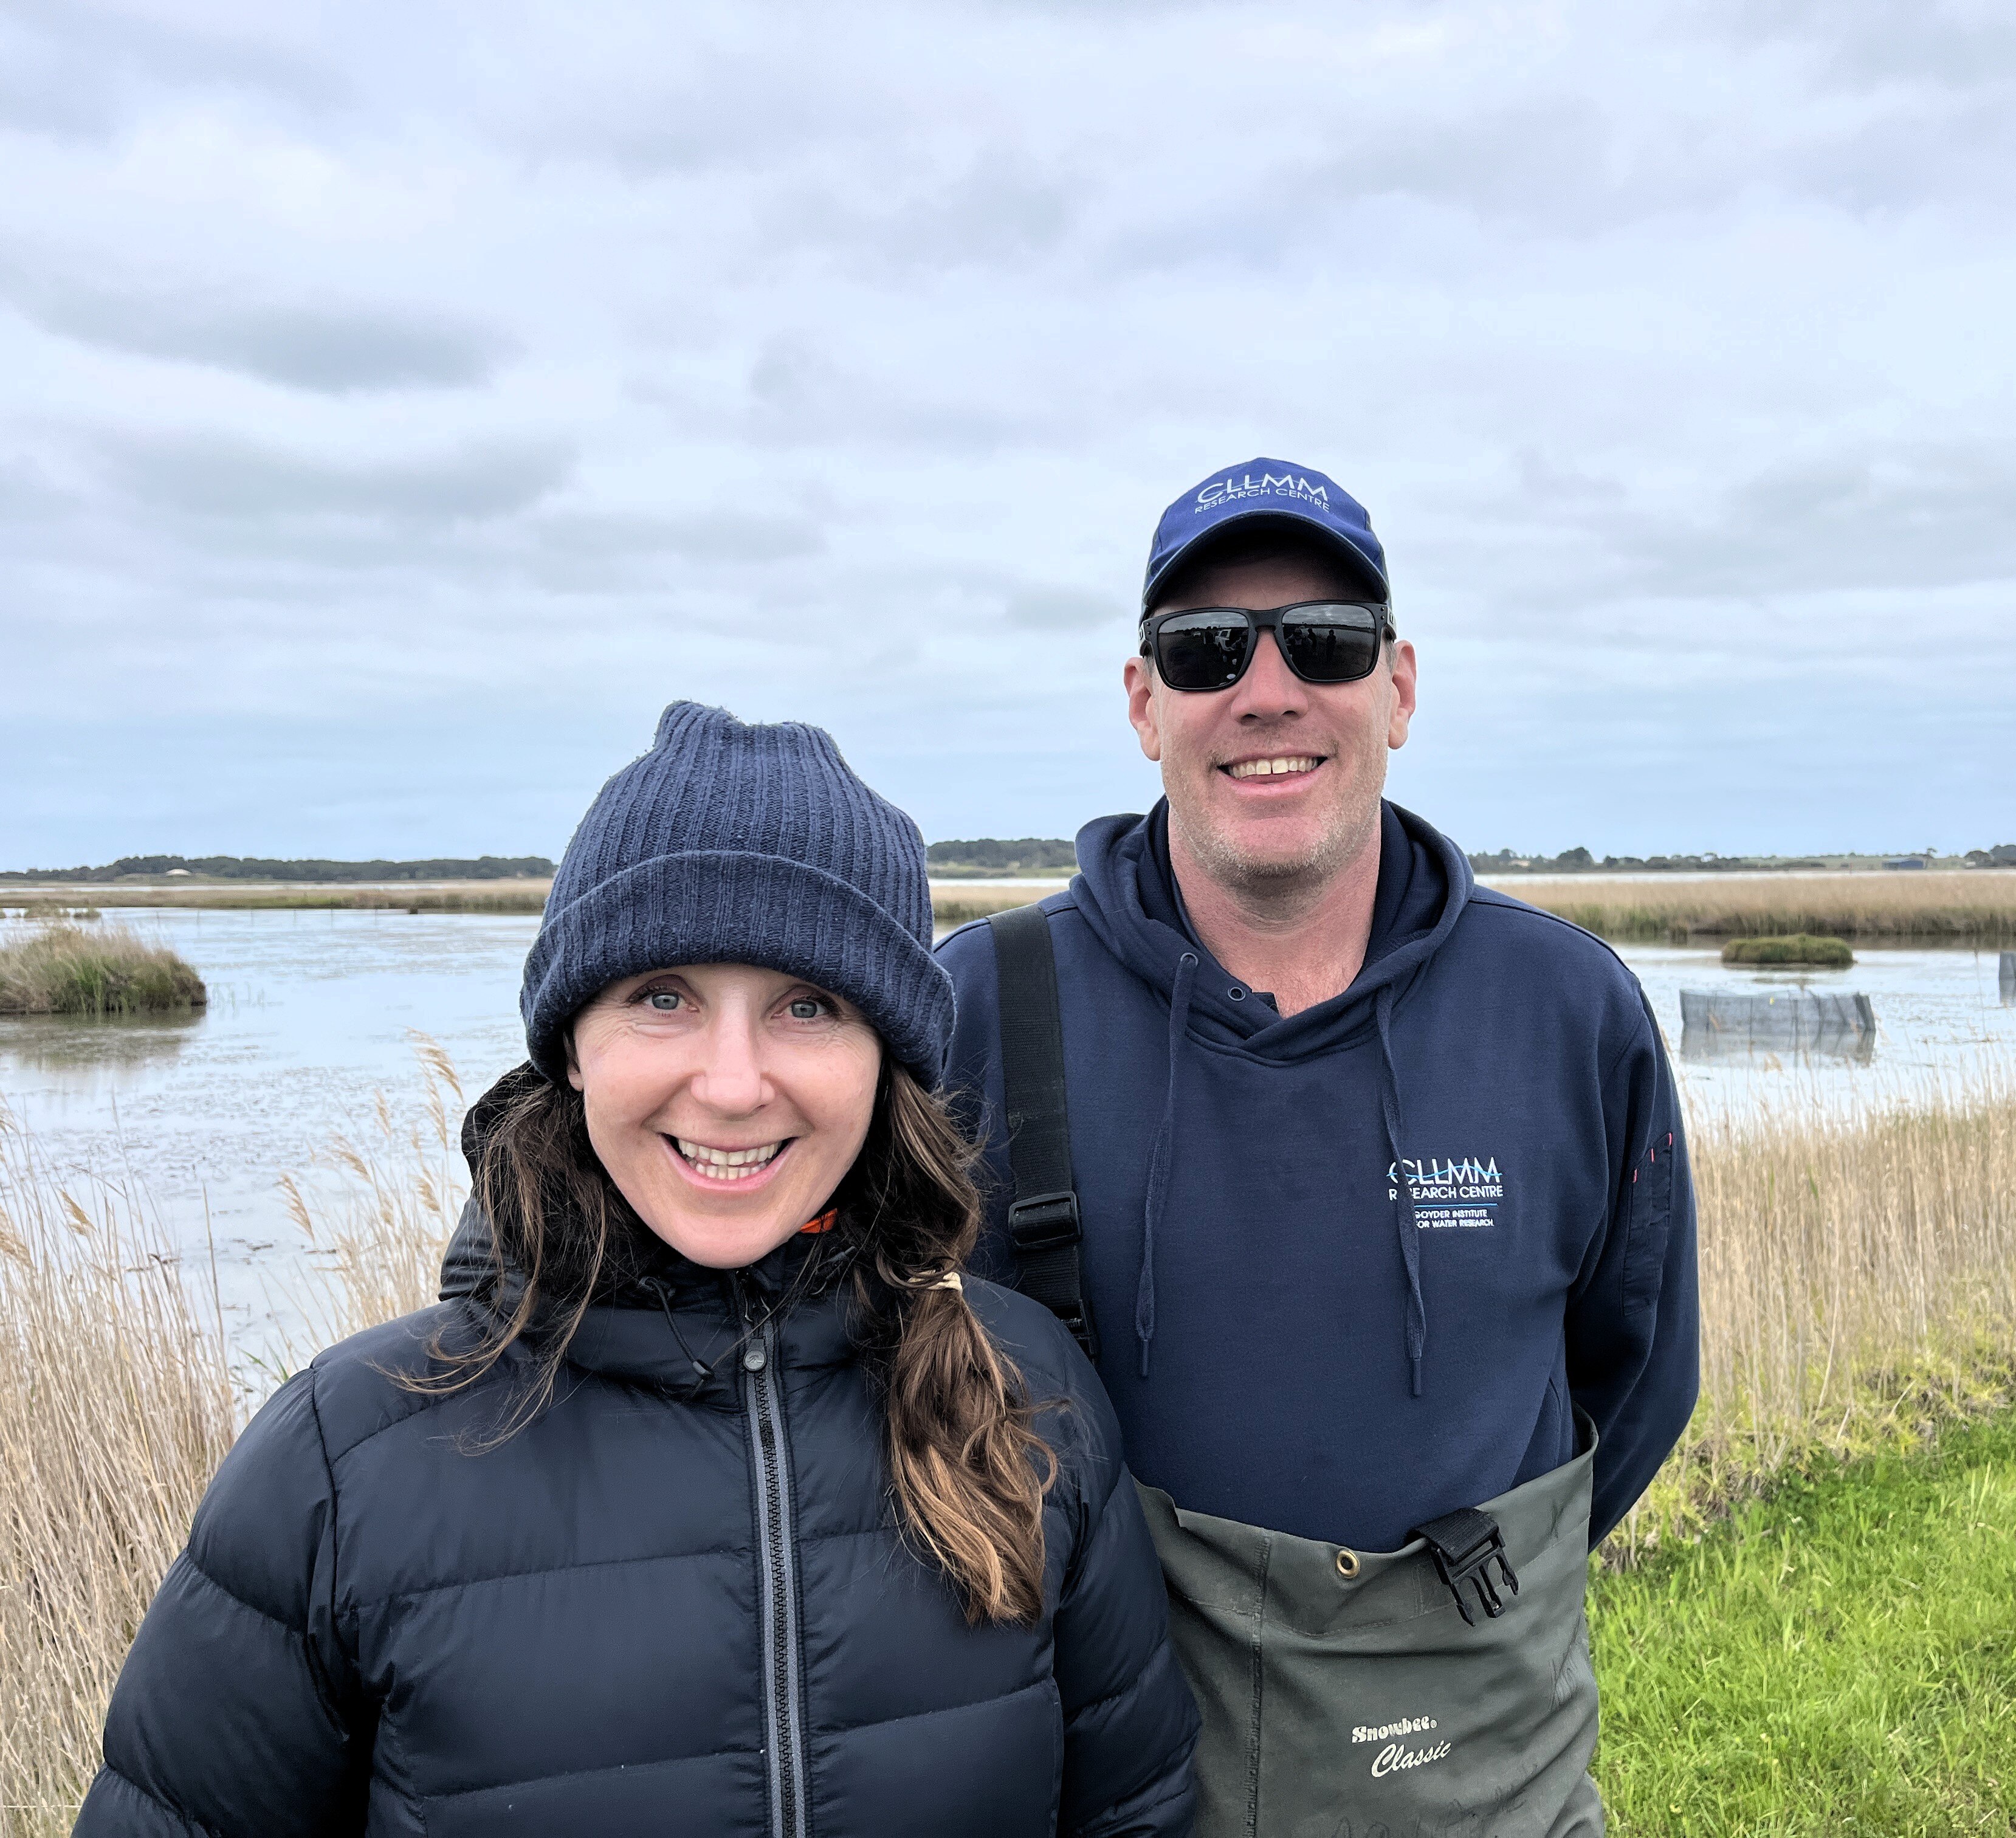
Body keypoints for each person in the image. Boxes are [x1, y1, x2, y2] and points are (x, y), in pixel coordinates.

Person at [79, 702, 1199, 1838]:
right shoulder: (345, 1461)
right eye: (662, 998)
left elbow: (1135, 1817)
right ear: (571, 1042)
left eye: (807, 1007)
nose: (729, 1084)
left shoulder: (1029, 1400)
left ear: (890, 1060)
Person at [938, 460, 1701, 1835]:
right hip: (1115, 1794)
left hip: (1491, 1793)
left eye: (1328, 641)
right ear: (1143, 702)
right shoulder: (978, 1013)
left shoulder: (1569, 1012)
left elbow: (1633, 1381)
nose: (1269, 690)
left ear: (1399, 688)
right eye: (1208, 648)